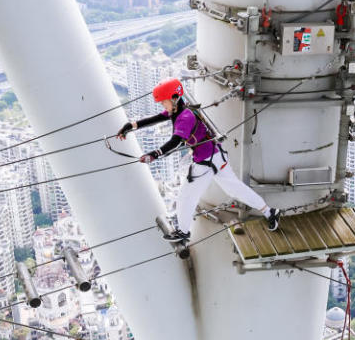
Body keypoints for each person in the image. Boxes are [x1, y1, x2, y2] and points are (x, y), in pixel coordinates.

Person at [118, 78, 280, 242]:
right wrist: (130, 126)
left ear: (174, 98)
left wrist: (154, 154)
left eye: (164, 102)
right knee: (235, 189)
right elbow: (154, 119)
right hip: (216, 156)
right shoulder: (178, 110)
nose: (163, 106)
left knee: (186, 196)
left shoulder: (185, 117)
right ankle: (269, 211)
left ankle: (183, 232)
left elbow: (175, 141)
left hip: (205, 162)